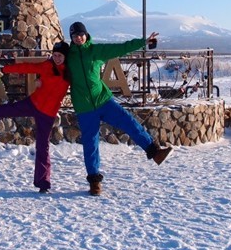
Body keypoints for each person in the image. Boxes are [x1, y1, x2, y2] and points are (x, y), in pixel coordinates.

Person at [66, 21, 172, 196]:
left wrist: (143, 42)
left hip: (103, 100)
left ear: (86, 34)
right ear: (71, 38)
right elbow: (53, 63)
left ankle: (154, 152)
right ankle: (94, 182)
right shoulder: (68, 55)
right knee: (90, 143)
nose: (78, 38)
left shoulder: (95, 51)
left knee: (129, 121)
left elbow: (120, 48)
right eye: (75, 36)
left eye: (81, 34)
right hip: (84, 107)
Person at [0, 42, 71, 193]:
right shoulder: (47, 66)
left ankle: (43, 183)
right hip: (32, 103)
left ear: (66, 56)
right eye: (55, 55)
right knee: (2, 110)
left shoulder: (70, 72)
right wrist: (3, 69)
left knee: (43, 147)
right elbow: (26, 67)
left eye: (60, 56)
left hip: (48, 114)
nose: (56, 58)